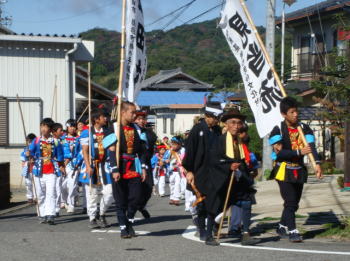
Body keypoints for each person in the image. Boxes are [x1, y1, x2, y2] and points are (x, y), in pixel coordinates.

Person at [269, 97, 323, 243]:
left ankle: (281, 226)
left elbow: (311, 148)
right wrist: (299, 152)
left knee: (293, 204)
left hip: (299, 170)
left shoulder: (305, 128)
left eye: (296, 112)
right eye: (291, 112)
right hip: (283, 169)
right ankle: (293, 231)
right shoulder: (277, 130)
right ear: (283, 114)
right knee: (290, 201)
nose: (295, 115)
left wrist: (317, 163)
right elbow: (280, 153)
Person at [204, 108, 255, 246]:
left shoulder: (240, 142)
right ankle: (208, 235)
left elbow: (243, 161)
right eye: (233, 122)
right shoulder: (219, 140)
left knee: (246, 201)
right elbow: (214, 160)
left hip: (237, 178)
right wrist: (228, 166)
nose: (236, 126)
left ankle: (245, 233)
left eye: (239, 123)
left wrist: (244, 172)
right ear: (226, 124)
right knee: (214, 206)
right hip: (221, 178)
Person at [182, 101, 222, 243]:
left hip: (214, 172)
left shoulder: (217, 131)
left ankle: (210, 233)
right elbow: (190, 152)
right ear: (207, 116)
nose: (217, 120)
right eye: (215, 117)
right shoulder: (197, 129)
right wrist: (190, 171)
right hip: (199, 172)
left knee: (213, 202)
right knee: (202, 203)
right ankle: (202, 229)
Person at [110, 101, 147, 239]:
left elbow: (142, 150)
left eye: (135, 112)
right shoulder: (113, 127)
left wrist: (143, 167)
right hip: (118, 166)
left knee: (135, 198)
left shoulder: (137, 129)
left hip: (133, 167)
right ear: (123, 113)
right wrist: (114, 168)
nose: (134, 115)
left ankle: (129, 220)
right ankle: (123, 228)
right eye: (132, 112)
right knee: (120, 200)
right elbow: (111, 151)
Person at [79, 108, 114, 229]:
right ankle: (92, 217)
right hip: (92, 164)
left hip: (105, 165)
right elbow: (85, 150)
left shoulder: (108, 132)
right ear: (96, 119)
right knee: (92, 193)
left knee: (110, 192)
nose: (106, 118)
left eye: (106, 116)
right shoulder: (86, 132)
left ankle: (102, 213)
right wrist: (88, 166)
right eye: (103, 116)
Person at [27, 118, 64, 225]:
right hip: (38, 170)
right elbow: (30, 152)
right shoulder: (37, 140)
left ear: (50, 129)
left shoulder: (56, 141)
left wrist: (61, 165)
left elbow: (60, 155)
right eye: (42, 126)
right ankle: (42, 213)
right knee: (40, 193)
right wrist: (29, 154)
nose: (43, 129)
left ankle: (50, 214)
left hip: (51, 170)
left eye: (45, 126)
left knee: (51, 192)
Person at [228, 124, 259, 240]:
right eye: (242, 132)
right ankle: (234, 227)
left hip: (246, 179)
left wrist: (252, 173)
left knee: (246, 203)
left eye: (245, 132)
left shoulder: (248, 150)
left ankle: (243, 228)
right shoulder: (232, 146)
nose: (244, 134)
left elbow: (254, 168)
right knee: (236, 203)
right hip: (236, 177)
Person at [134, 110, 157, 219]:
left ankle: (141, 205)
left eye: (143, 119)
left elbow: (152, 145)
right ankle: (131, 212)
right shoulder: (130, 130)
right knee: (135, 188)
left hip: (146, 161)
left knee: (148, 188)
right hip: (133, 162)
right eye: (139, 119)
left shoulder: (148, 132)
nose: (141, 121)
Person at [62, 119, 81, 214]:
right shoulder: (62, 139)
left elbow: (81, 152)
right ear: (67, 127)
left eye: (74, 127)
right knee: (63, 186)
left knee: (72, 184)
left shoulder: (79, 139)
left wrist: (78, 163)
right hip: (62, 164)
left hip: (74, 164)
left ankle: (71, 204)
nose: (73, 128)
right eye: (71, 126)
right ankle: (66, 200)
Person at [52, 123, 66, 216]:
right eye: (60, 130)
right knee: (50, 189)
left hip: (59, 166)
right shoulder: (50, 141)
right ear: (54, 132)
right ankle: (49, 209)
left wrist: (62, 165)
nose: (62, 132)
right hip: (49, 167)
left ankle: (56, 209)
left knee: (57, 188)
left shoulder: (62, 140)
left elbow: (66, 150)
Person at [167, 136, 185, 206]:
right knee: (171, 184)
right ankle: (172, 197)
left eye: (175, 144)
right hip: (171, 170)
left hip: (179, 171)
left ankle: (176, 198)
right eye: (172, 143)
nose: (173, 145)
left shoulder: (183, 150)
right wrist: (167, 160)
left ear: (180, 144)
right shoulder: (170, 150)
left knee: (178, 184)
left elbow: (183, 159)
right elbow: (166, 158)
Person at [20, 133, 36, 204]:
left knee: (35, 183)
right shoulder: (25, 149)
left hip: (35, 167)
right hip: (27, 167)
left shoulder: (36, 148)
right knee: (28, 183)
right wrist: (25, 163)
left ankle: (36, 196)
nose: (28, 142)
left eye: (30, 141)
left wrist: (33, 158)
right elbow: (23, 160)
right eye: (27, 141)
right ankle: (30, 197)